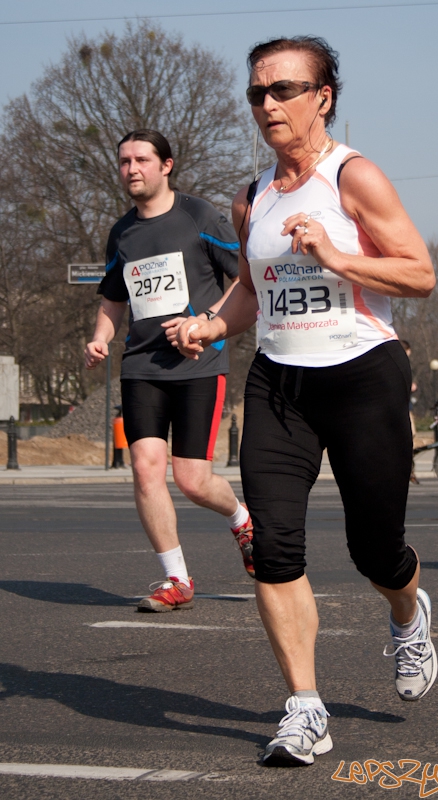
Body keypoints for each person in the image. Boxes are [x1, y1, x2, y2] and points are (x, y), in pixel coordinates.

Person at [175, 37, 437, 766]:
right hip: (280, 381)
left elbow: (419, 274)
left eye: (283, 89)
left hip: (362, 374)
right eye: (257, 92)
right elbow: (251, 290)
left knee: (375, 550)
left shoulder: (354, 177)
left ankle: (407, 612)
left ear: (322, 98)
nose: (267, 104)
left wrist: (335, 256)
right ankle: (304, 708)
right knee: (273, 546)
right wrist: (209, 324)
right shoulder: (251, 197)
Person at [84, 129, 254, 612]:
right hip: (141, 365)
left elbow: (244, 279)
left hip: (199, 363)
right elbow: (113, 299)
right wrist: (100, 337)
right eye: (124, 161)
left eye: (141, 160)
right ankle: (176, 579)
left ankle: (241, 519)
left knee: (193, 480)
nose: (131, 169)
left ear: (166, 165)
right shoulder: (122, 233)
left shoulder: (199, 216)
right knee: (145, 468)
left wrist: (206, 322)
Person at [400, 339, 420, 484]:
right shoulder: (398, 363)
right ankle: (406, 468)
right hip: (402, 407)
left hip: (405, 406)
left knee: (410, 438)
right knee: (408, 437)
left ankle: (408, 468)